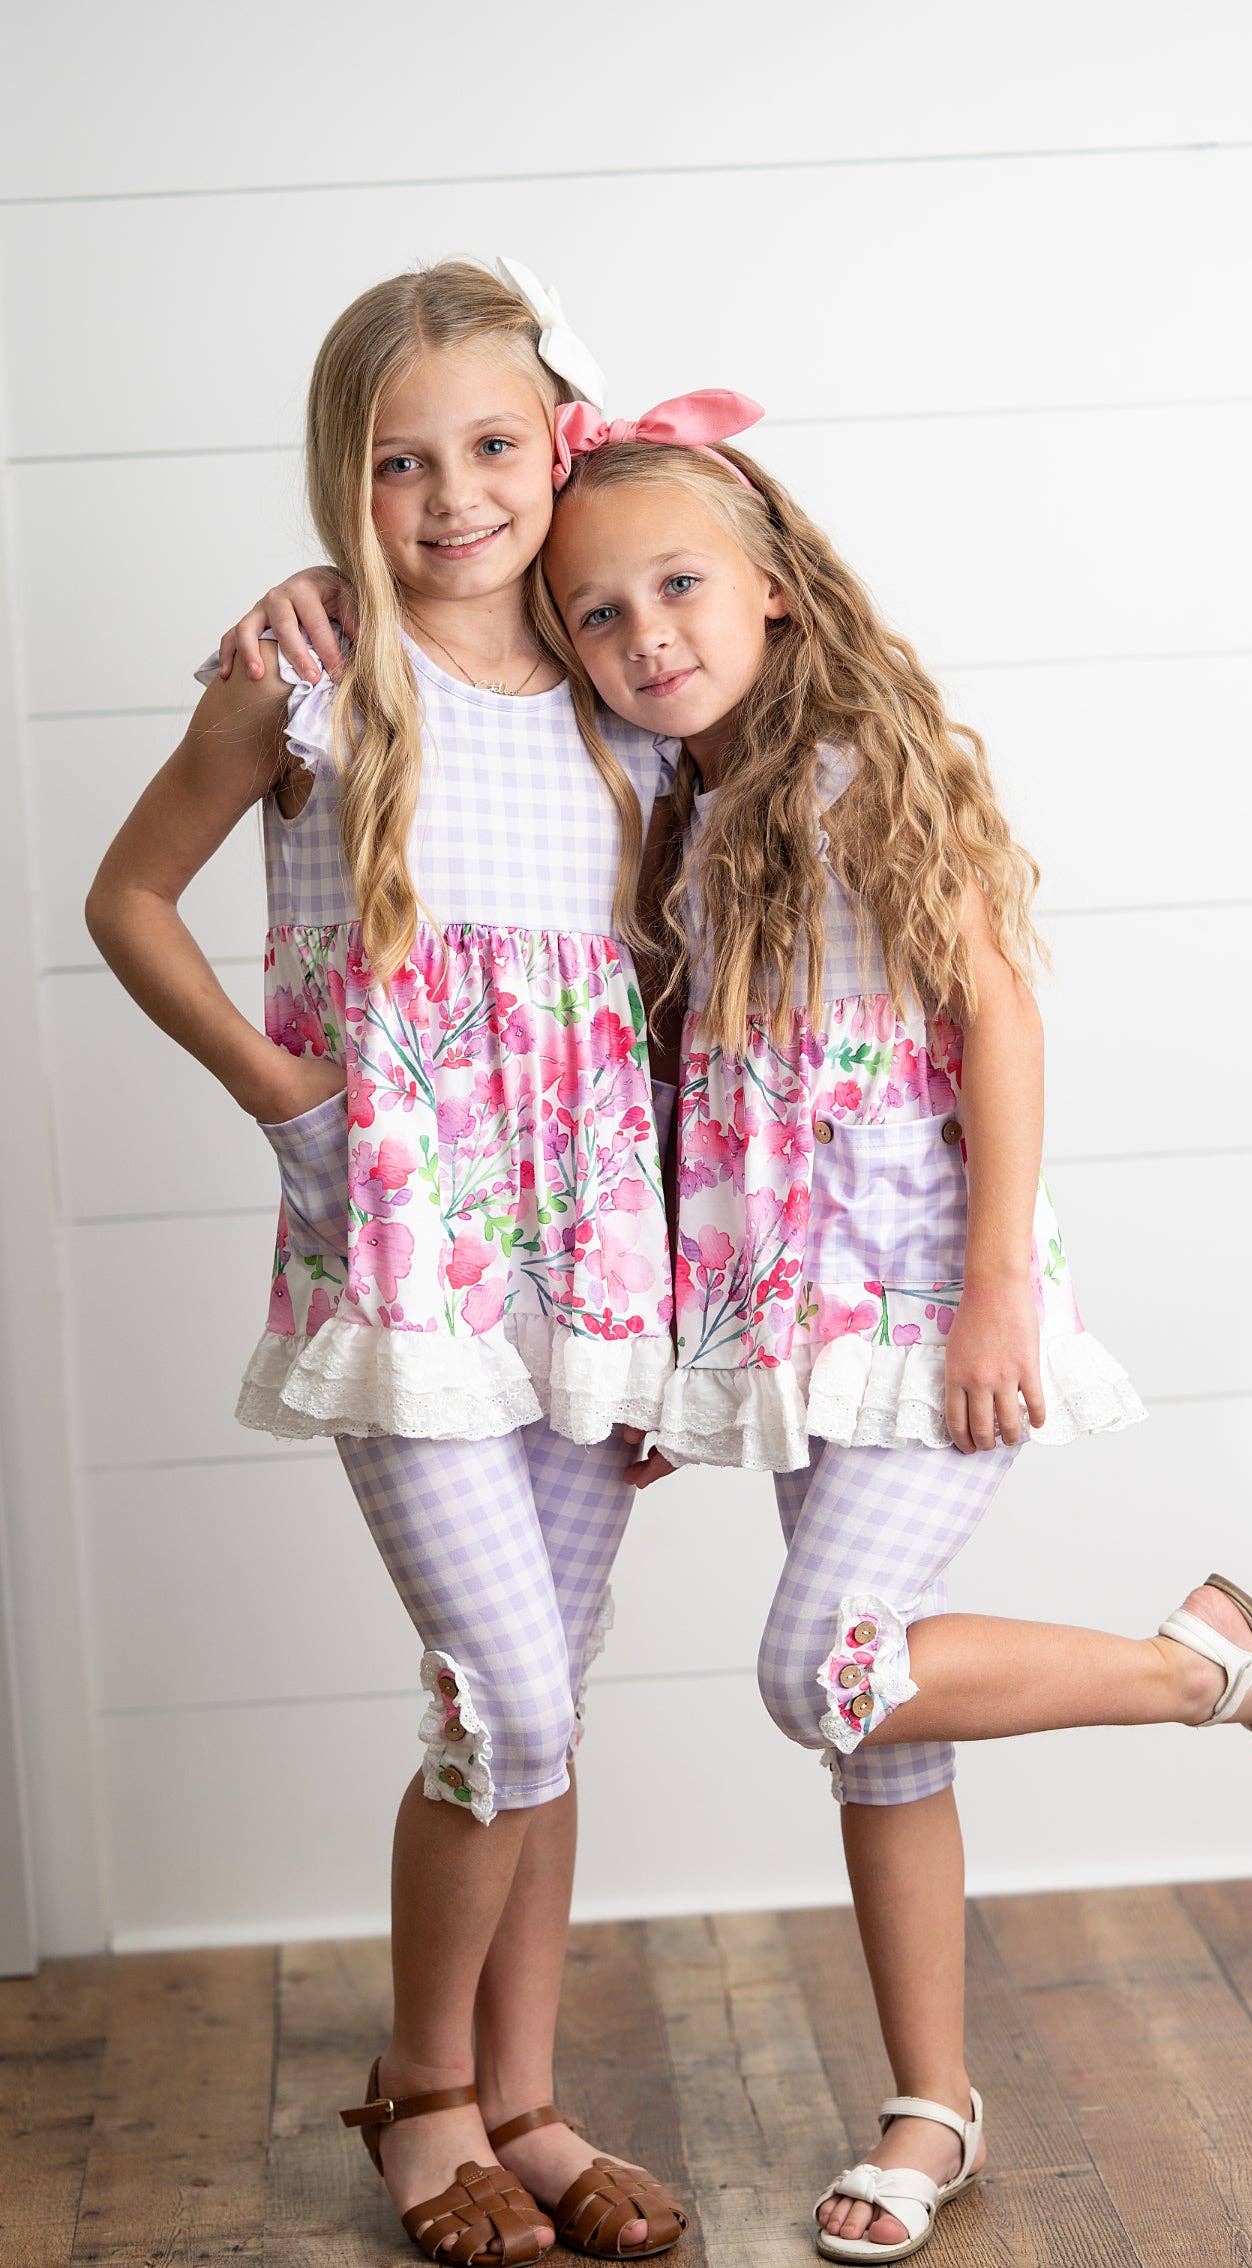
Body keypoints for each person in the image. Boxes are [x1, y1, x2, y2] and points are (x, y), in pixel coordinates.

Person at [226, 386, 1252, 2266]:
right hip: (773, 1327)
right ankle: (934, 2106)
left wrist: (994, 1293)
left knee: (826, 1667)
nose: (642, 634)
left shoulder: (857, 768)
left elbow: (998, 1019)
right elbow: (664, 1097)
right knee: (881, 1729)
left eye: (680, 588)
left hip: (926, 1308)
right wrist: (671, 1351)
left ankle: (1197, 1669)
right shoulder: (655, 789)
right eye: (599, 612)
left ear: (772, 583)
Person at [86, 261, 687, 2264]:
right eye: (397, 462)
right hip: (407, 1259)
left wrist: (692, 1309)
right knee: (499, 1688)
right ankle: (422, 2095)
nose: (451, 497)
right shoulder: (309, 671)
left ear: (561, 447)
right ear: (343, 476)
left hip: (595, 1267)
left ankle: (527, 2103)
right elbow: (129, 896)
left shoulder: (619, 678)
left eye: (492, 446)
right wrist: (286, 1097)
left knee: (550, 1700)